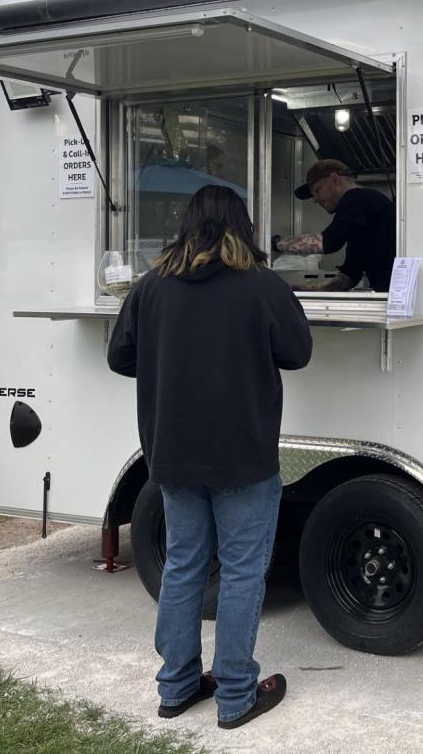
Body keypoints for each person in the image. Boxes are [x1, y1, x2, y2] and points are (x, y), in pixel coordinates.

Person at [106, 185, 313, 729]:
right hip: (242, 454)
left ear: (187, 225)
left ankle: (176, 687)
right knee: (243, 572)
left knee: (184, 566)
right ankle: (236, 695)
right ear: (240, 226)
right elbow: (298, 352)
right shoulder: (262, 286)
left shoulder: (151, 288)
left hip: (171, 453)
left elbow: (119, 357)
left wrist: (168, 360)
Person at [272, 159, 396, 291]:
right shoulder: (362, 216)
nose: (316, 200)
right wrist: (313, 290)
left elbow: (328, 242)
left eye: (317, 190)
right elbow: (350, 274)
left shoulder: (355, 198)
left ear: (335, 179)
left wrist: (276, 243)